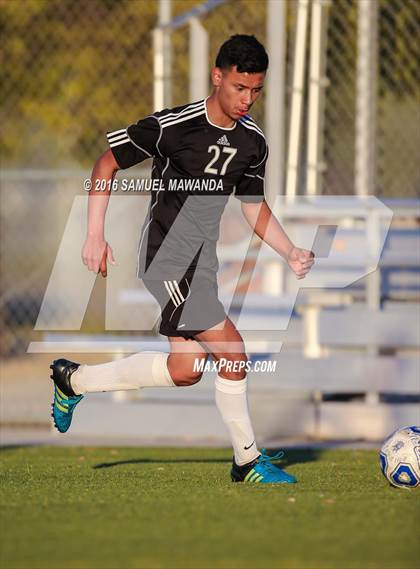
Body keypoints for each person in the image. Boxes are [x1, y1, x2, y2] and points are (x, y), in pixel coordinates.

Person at [50, 34, 314, 484]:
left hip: (201, 265)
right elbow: (105, 164)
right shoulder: (174, 126)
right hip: (165, 258)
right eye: (239, 88)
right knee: (234, 351)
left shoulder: (253, 143)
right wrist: (94, 234)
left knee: (186, 370)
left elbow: (253, 206)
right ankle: (247, 461)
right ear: (217, 77)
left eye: (256, 91)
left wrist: (288, 250)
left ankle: (73, 382)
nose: (247, 99)